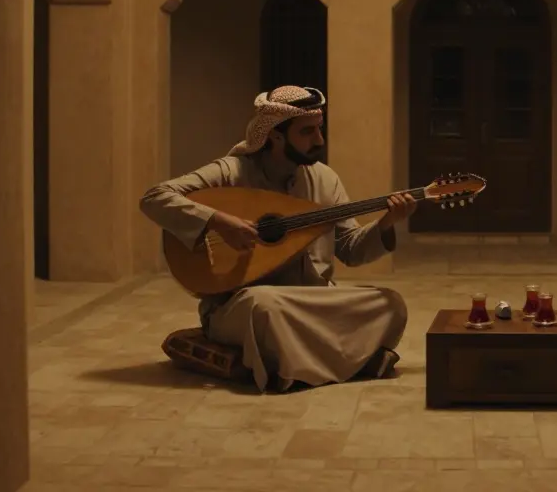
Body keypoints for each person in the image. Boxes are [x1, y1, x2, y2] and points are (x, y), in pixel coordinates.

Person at [140, 85, 416, 392]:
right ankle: (354, 361)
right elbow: (155, 197)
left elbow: (351, 250)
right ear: (275, 136)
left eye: (319, 129)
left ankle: (299, 365)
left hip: (312, 300)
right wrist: (219, 221)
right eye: (307, 132)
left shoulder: (325, 179)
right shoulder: (231, 172)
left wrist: (387, 223)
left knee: (390, 304)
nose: (319, 140)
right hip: (242, 304)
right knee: (266, 307)